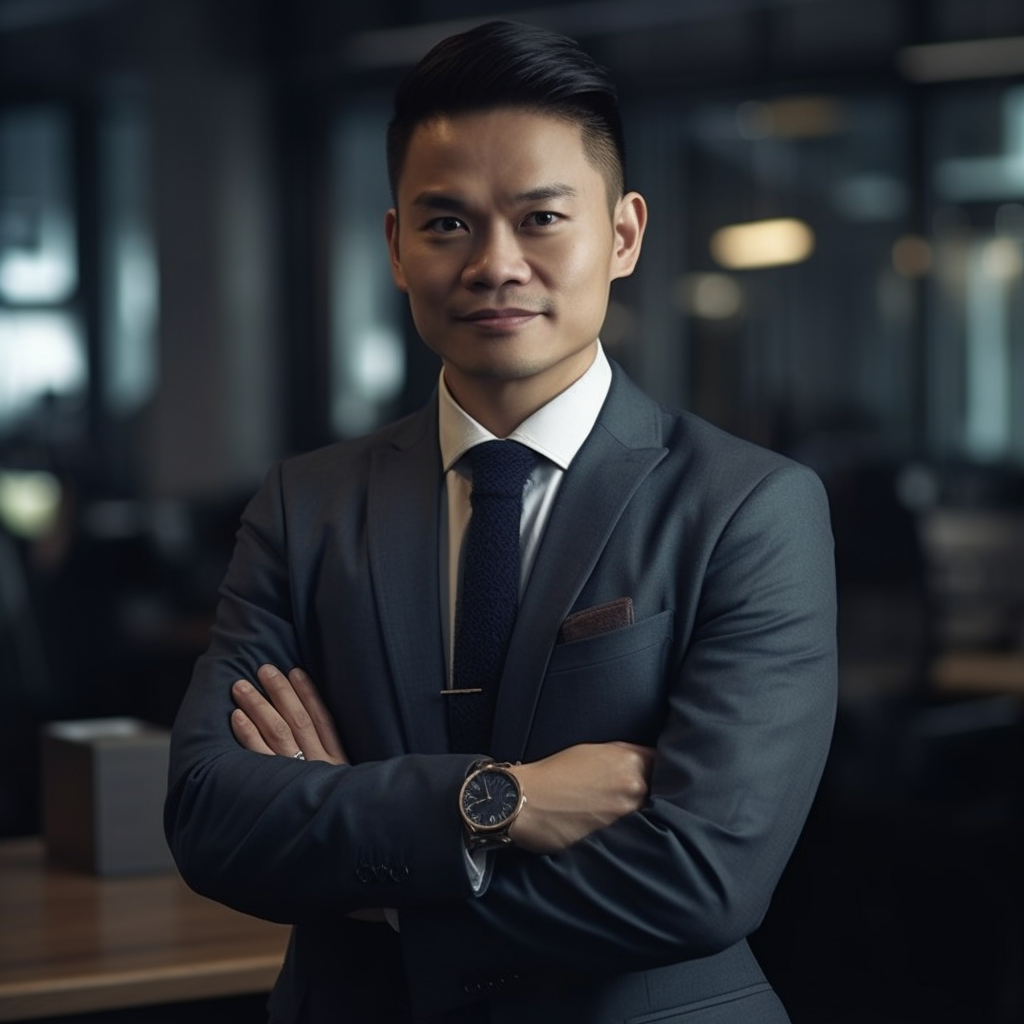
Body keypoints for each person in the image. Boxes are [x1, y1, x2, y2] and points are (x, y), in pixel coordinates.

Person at [164, 19, 837, 1024]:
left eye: (540, 219)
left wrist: (376, 876)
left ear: (622, 236)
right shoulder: (306, 506)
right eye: (446, 224)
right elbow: (213, 816)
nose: (494, 263)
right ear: (395, 246)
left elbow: (703, 875)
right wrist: (501, 801)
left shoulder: (749, 506)